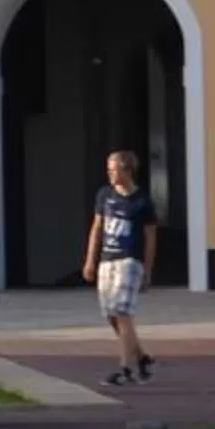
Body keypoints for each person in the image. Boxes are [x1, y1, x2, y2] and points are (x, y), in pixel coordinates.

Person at [85, 148, 160, 386]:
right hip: (107, 259)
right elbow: (97, 228)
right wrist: (90, 260)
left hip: (130, 260)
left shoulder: (142, 202)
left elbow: (150, 237)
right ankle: (142, 358)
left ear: (127, 170)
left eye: (114, 170)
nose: (109, 174)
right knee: (111, 314)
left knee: (123, 311)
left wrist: (147, 270)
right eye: (108, 170)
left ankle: (125, 369)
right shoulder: (104, 195)